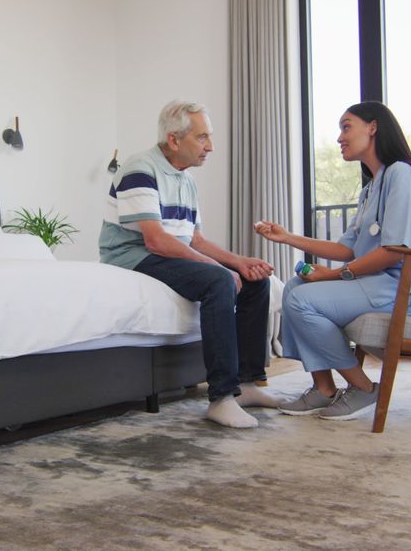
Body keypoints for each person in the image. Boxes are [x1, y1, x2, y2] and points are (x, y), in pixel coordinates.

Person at [255, 101, 411, 421]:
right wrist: (286, 236)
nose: (339, 137)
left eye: (346, 127)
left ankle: (362, 388)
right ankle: (324, 389)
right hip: (383, 284)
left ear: (373, 127)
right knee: (293, 287)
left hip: (409, 290)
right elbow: (348, 249)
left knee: (302, 299)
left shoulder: (402, 174)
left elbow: (394, 251)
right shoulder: (371, 188)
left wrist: (332, 276)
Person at [99, 100, 281, 429]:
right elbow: (154, 239)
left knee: (255, 280)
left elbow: (193, 240)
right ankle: (222, 397)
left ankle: (247, 385)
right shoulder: (140, 168)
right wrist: (218, 270)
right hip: (132, 256)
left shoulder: (186, 179)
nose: (210, 146)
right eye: (202, 138)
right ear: (174, 139)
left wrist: (239, 262)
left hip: (164, 252)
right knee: (218, 282)